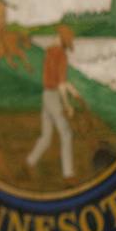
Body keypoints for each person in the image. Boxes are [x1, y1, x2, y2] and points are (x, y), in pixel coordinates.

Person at [26, 23, 81, 182]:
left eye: (57, 35)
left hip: (46, 94)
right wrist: (68, 105)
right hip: (54, 97)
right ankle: (68, 174)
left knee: (46, 136)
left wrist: (74, 92)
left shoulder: (50, 52)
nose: (55, 37)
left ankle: (30, 162)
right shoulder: (61, 56)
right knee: (66, 133)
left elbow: (59, 81)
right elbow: (61, 84)